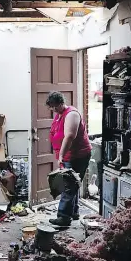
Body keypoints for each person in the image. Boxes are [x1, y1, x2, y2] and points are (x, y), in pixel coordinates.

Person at [47, 91, 92, 226]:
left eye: (55, 106)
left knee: (68, 186)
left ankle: (63, 217)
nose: (53, 110)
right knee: (73, 184)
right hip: (67, 155)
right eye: (51, 107)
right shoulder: (59, 115)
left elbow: (70, 136)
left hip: (77, 155)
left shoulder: (71, 114)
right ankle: (74, 212)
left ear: (61, 103)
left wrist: (60, 155)